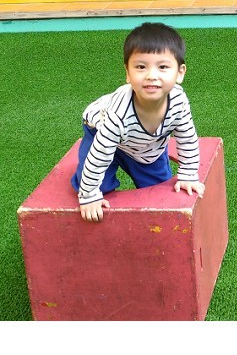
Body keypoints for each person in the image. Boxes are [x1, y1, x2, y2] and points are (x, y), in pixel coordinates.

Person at [71, 22, 204, 222]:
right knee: (99, 186)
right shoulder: (118, 114)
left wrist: (188, 173)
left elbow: (187, 138)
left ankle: (134, 157)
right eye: (141, 67)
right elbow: (99, 154)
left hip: (146, 144)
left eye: (163, 67)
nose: (151, 76)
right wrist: (89, 195)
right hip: (99, 130)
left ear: (180, 73)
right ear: (127, 73)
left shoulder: (178, 100)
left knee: (159, 190)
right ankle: (85, 175)